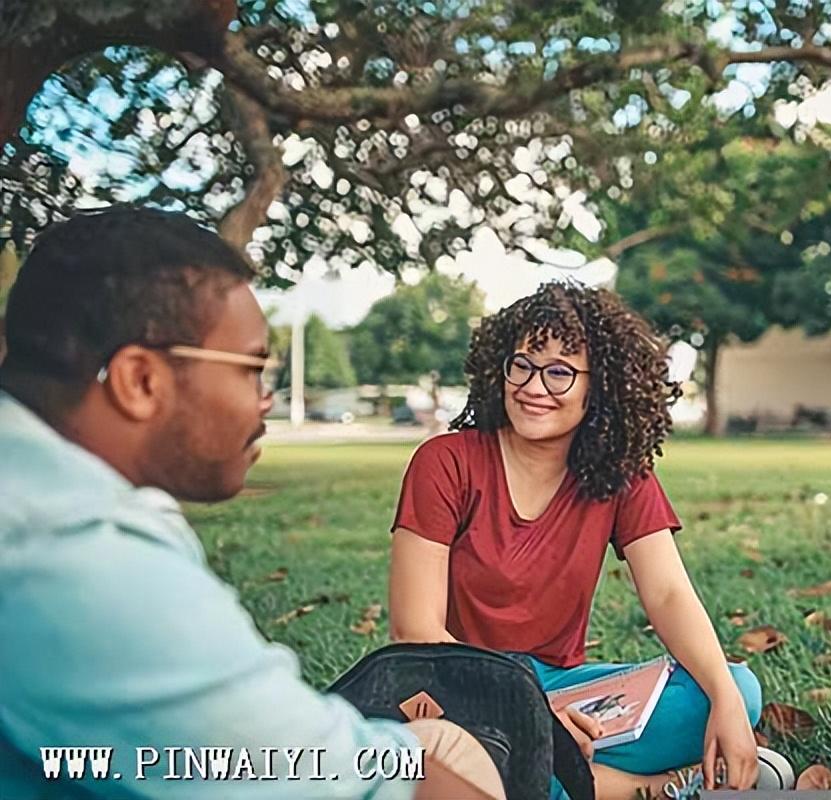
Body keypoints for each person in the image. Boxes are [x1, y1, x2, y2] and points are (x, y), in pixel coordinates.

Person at [0, 207, 503, 799]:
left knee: (438, 744)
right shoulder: (75, 554)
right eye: (252, 369)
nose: (264, 401)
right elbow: (359, 784)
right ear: (141, 381)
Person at [388, 283, 770, 800]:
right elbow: (416, 631)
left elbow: (668, 595)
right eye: (521, 364)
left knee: (737, 688)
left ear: (602, 386)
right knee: (457, 760)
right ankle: (653, 790)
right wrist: (532, 718)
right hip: (461, 691)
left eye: (560, 371)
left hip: (565, 693)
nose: (533, 385)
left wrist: (724, 697)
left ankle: (551, 774)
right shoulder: (445, 463)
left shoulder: (620, 474)